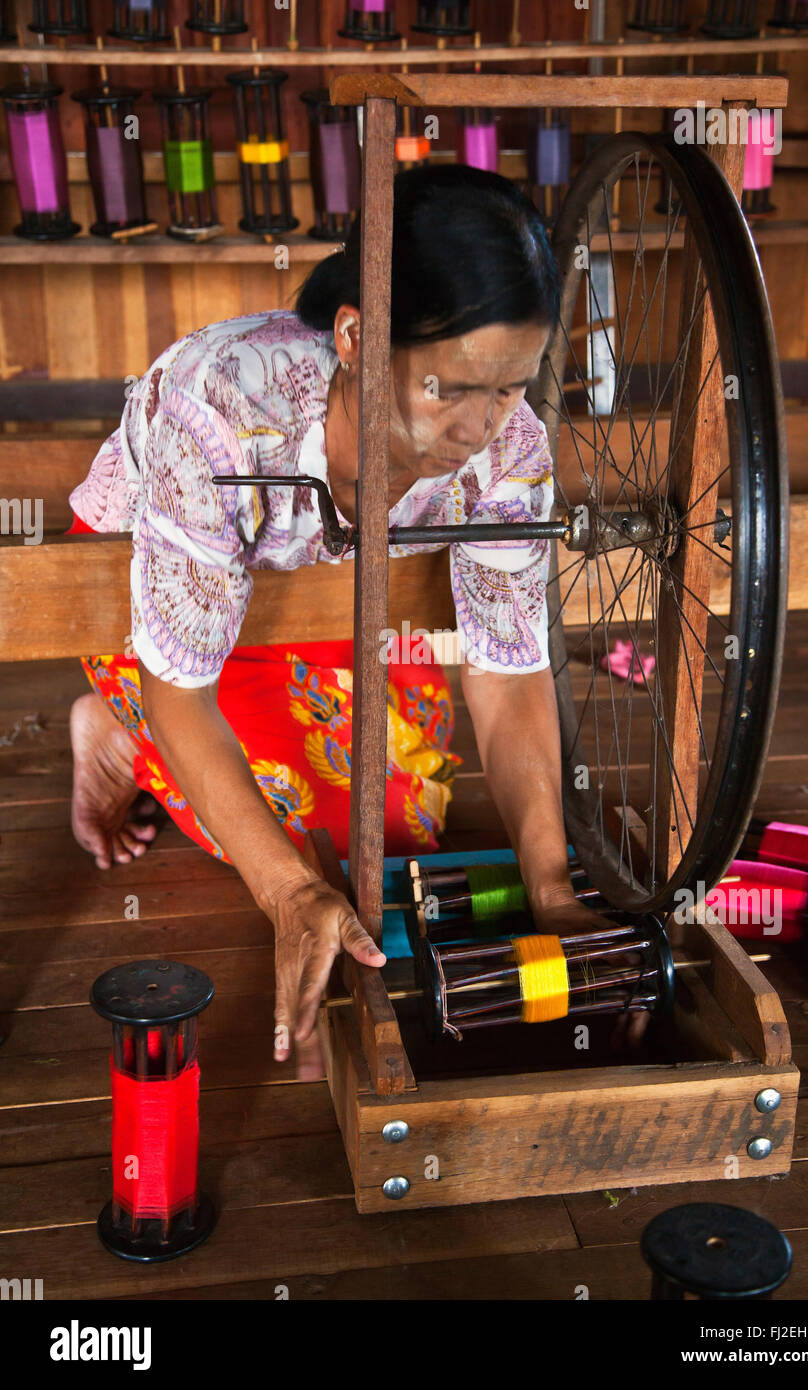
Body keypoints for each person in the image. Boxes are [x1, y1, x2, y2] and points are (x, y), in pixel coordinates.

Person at [68, 163, 608, 1071]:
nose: (481, 432)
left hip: (327, 594)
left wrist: (550, 888)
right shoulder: (222, 412)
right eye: (450, 388)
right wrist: (284, 895)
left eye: (511, 387)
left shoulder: (510, 449)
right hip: (179, 614)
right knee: (304, 848)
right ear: (357, 336)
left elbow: (509, 669)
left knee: (393, 833)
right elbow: (184, 684)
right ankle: (110, 706)